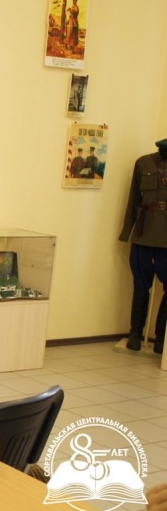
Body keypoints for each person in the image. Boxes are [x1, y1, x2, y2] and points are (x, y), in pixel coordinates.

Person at [118, 138, 167, 353]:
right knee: (140, 285)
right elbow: (133, 200)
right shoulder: (143, 163)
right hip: (144, 234)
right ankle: (135, 333)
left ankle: (161, 338)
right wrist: (127, 232)